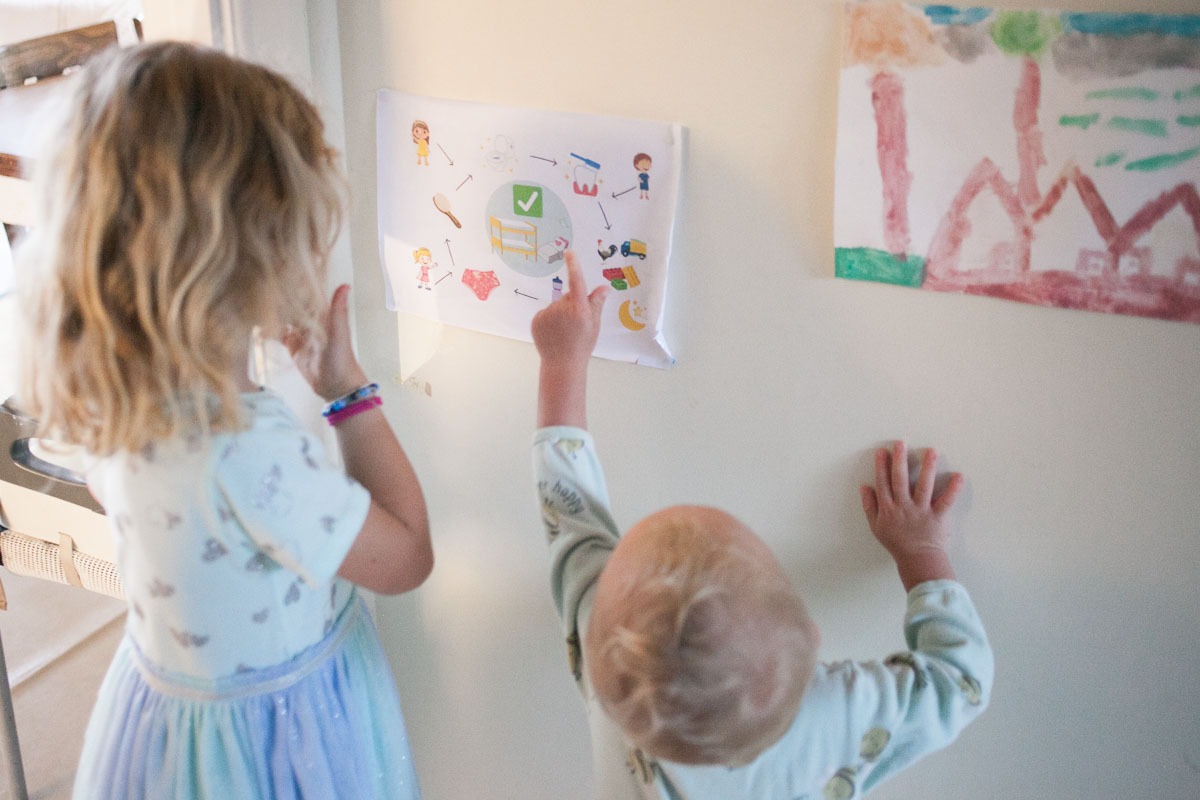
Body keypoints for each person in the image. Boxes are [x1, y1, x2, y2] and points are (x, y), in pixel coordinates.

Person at [15, 42, 433, 799]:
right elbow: (406, 558)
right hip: (279, 746)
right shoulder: (247, 449)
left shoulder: (111, 403)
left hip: (168, 728)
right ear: (255, 256)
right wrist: (348, 394)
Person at [530, 252, 993, 799]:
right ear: (813, 641)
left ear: (589, 655)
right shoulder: (837, 713)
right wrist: (920, 552)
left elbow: (572, 510)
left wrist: (562, 363)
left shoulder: (609, 660)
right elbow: (960, 681)